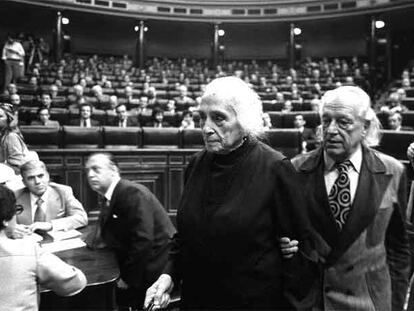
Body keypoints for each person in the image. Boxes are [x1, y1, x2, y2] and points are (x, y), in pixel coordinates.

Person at [144, 76, 310, 310]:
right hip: (197, 299)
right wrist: (167, 276)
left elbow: (298, 252)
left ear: (245, 120)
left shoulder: (275, 167)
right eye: (202, 117)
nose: (206, 128)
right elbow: (186, 236)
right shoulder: (195, 164)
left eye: (219, 118)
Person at [281, 86, 411, 310]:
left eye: (343, 122)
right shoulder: (296, 169)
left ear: (365, 127)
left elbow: (398, 248)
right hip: (314, 301)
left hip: (370, 300)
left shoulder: (393, 171)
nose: (330, 130)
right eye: (326, 120)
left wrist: (396, 303)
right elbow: (285, 234)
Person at [85, 153, 176, 310]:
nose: (90, 174)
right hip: (139, 264)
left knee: (100, 295)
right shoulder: (110, 196)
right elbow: (105, 232)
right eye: (87, 171)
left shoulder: (132, 193)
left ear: (113, 170)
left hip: (155, 269)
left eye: (96, 169)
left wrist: (126, 279)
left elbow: (143, 242)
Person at [0, 185, 87, 310]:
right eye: (16, 210)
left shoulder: (62, 192)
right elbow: (74, 283)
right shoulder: (28, 250)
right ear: (5, 220)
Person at [8, 160, 88, 238]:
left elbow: (81, 218)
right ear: (24, 182)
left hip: (56, 245)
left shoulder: (63, 192)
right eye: (31, 178)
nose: (37, 182)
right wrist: (10, 228)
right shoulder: (14, 196)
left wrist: (51, 225)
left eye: (40, 176)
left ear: (48, 176)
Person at [0, 104, 33, 174]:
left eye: (0, 116)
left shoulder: (11, 136)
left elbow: (17, 166)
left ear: (9, 119)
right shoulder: (3, 134)